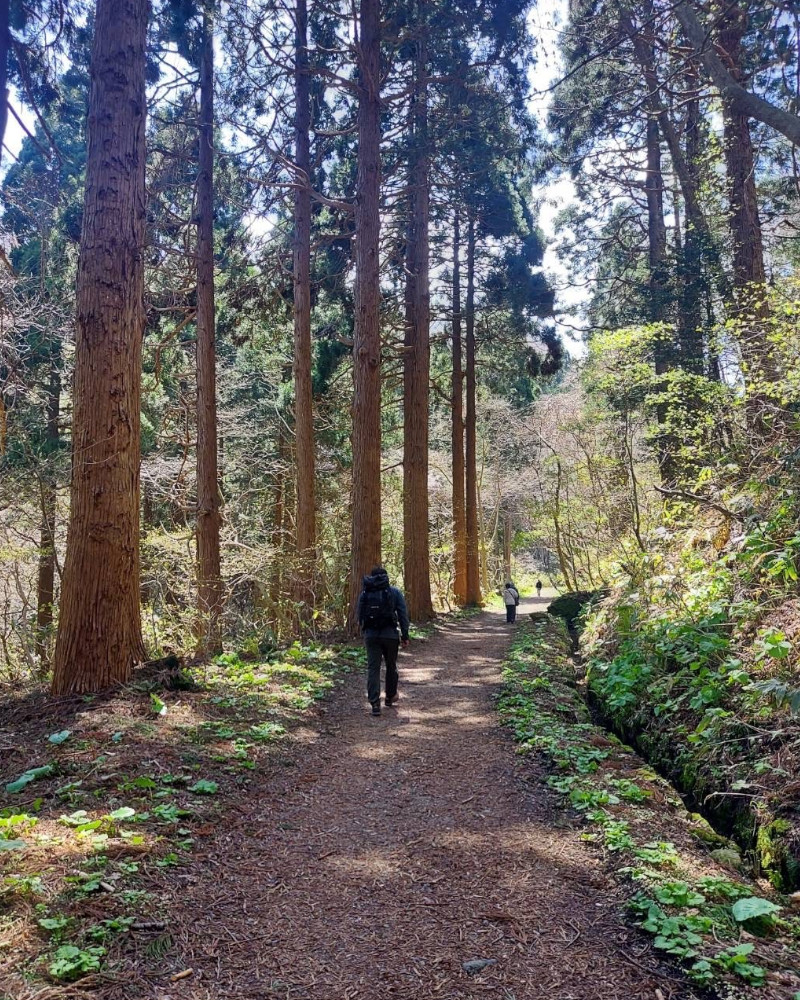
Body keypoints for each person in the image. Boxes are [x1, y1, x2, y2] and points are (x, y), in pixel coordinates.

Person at [357, 566, 410, 716]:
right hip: (390, 636)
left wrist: (365, 632)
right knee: (391, 665)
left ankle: (375, 703)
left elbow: (359, 615)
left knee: (373, 668)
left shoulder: (365, 593)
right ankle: (390, 696)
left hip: (371, 636)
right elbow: (403, 615)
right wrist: (405, 635)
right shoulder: (394, 592)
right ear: (386, 577)